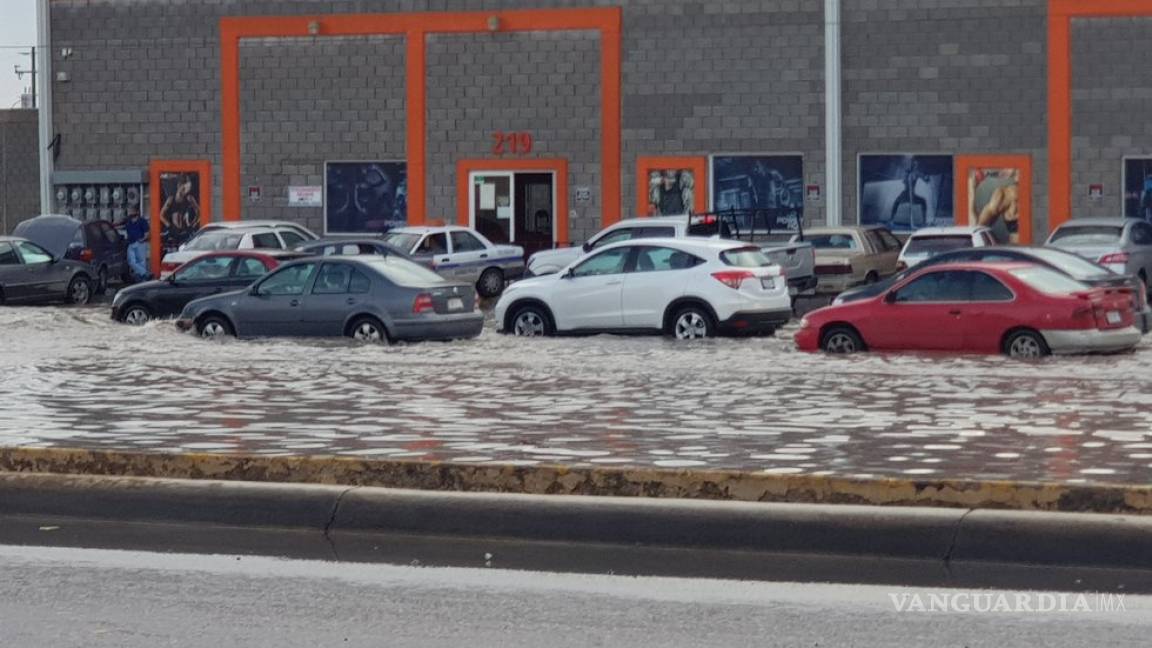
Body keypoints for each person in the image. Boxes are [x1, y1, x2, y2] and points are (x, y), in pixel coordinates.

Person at [975, 169, 1021, 243]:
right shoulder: (1006, 195)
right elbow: (979, 228)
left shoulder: (1006, 194)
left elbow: (978, 228)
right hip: (1020, 250)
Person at [160, 174, 201, 252]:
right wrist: (168, 225)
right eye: (184, 188)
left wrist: (193, 224)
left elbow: (199, 212)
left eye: (188, 189)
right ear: (179, 185)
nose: (186, 191)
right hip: (173, 230)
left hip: (185, 230)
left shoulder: (189, 198)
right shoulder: (171, 199)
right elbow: (161, 215)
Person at [890, 158, 930, 228]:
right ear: (912, 165)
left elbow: (925, 179)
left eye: (916, 164)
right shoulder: (908, 172)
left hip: (912, 195)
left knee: (923, 201)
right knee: (896, 202)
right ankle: (891, 220)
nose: (915, 166)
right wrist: (907, 176)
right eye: (914, 164)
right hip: (905, 194)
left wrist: (927, 178)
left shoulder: (917, 173)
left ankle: (924, 222)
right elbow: (904, 181)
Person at [124, 207, 151, 281]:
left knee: (141, 261)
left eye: (132, 211)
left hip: (140, 243)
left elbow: (147, 233)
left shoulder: (142, 221)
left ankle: (141, 278)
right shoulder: (128, 221)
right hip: (131, 243)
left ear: (137, 212)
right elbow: (121, 224)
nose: (130, 212)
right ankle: (145, 273)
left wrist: (142, 240)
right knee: (131, 261)